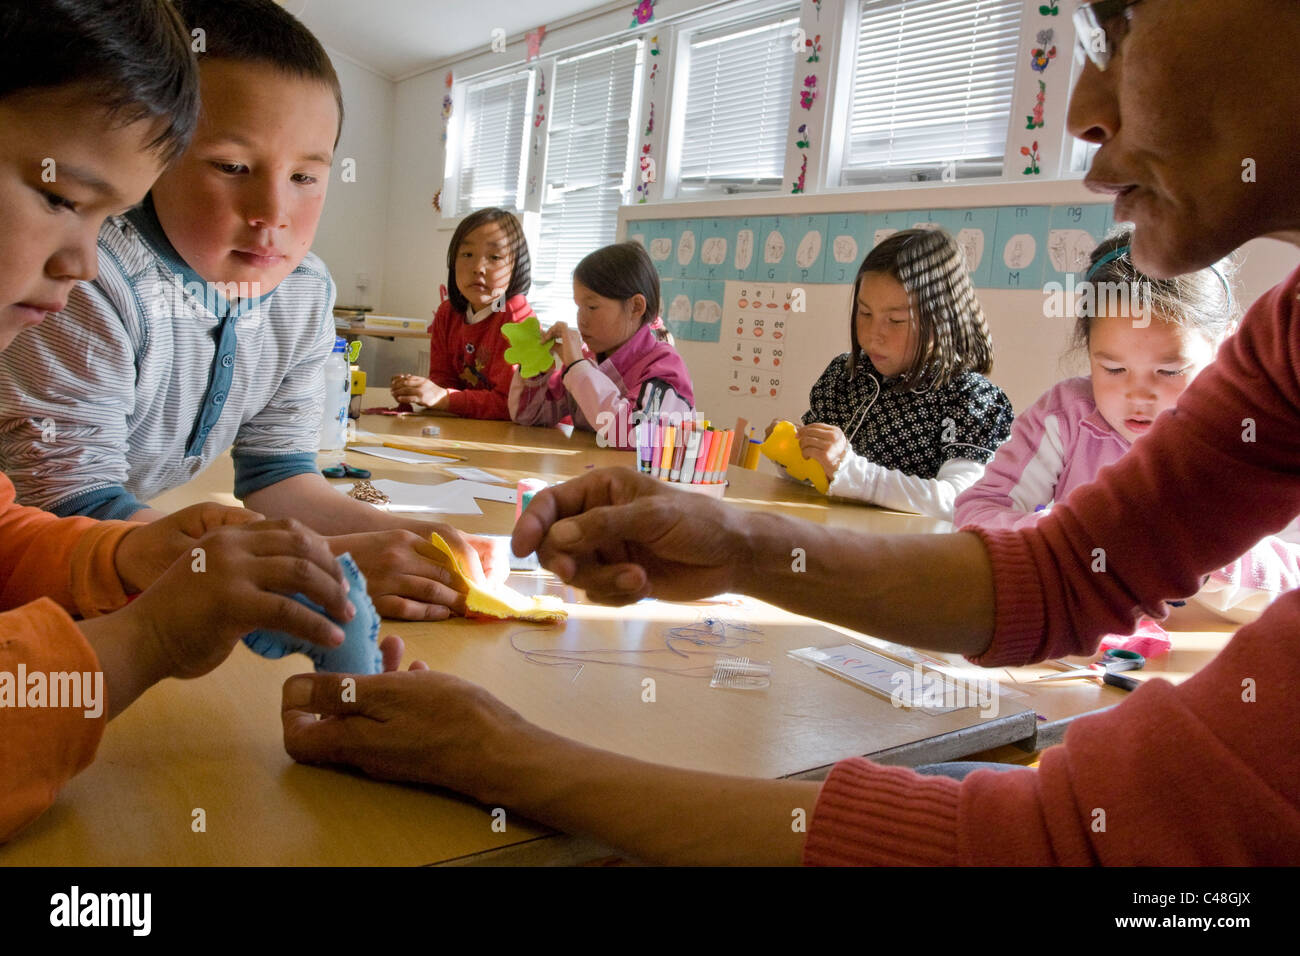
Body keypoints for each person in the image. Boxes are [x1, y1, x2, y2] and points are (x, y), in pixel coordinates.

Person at [281, 0, 1300, 864]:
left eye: (1115, 22)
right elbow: (1064, 576)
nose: (1081, 109)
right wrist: (738, 544)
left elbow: (1057, 841)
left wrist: (501, 757)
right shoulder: (1284, 336)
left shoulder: (977, 399)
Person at [0, 0, 379, 844]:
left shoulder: (300, 292)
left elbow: (7, 536)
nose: (83, 263)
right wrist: (153, 631)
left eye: (309, 175)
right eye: (60, 196)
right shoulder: (97, 291)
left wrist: (137, 552)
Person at [0, 0, 493, 622]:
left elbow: (277, 474)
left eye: (306, 177)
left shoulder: (303, 291)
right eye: (232, 167)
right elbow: (69, 504)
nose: (273, 212)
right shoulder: (89, 275)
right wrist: (310, 566)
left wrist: (396, 538)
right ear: (156, 159)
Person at [956, 232, 1300, 621]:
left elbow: (1292, 576)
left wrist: (1202, 553)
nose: (1138, 395)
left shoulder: (1252, 435)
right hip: (1081, 651)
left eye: (1169, 371)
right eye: (1113, 369)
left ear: (1225, 347)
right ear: (1087, 350)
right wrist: (1069, 534)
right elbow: (977, 511)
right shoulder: (1067, 416)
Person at [772, 228, 1013, 520]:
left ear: (942, 320)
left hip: (904, 560)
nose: (874, 336)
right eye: (864, 313)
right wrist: (791, 452)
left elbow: (956, 501)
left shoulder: (970, 398)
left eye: (896, 320)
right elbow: (813, 477)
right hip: (828, 543)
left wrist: (849, 470)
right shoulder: (844, 376)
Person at [509, 242, 694, 450]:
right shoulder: (589, 359)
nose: (581, 320)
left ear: (635, 307)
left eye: (592, 307)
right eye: (579, 307)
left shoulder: (665, 367)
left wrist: (577, 367)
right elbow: (528, 416)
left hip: (641, 481)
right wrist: (536, 367)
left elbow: (635, 435)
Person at [390, 208, 535, 420]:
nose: (478, 268)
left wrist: (443, 398)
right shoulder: (447, 313)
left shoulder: (516, 316)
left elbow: (510, 405)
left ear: (515, 267)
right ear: (453, 262)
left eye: (494, 257)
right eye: (467, 254)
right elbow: (444, 382)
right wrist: (419, 391)